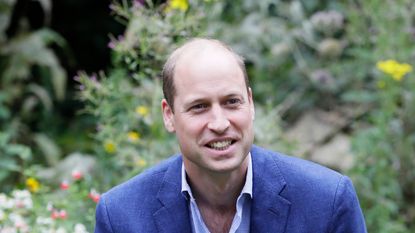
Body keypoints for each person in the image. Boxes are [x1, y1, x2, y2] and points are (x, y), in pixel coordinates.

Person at [94, 38, 367, 233]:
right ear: (169, 115)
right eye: (199, 107)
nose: (219, 123)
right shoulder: (121, 215)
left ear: (251, 103)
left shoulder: (327, 200)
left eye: (231, 102)